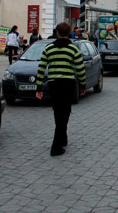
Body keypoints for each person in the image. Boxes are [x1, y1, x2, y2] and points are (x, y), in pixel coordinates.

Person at [35, 22, 86, 156]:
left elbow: (41, 68)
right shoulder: (73, 49)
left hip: (54, 84)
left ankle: (63, 138)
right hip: (68, 84)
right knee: (65, 112)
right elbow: (80, 69)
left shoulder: (49, 48)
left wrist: (38, 87)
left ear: (57, 32)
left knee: (58, 111)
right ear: (69, 33)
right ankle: (56, 147)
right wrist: (83, 85)